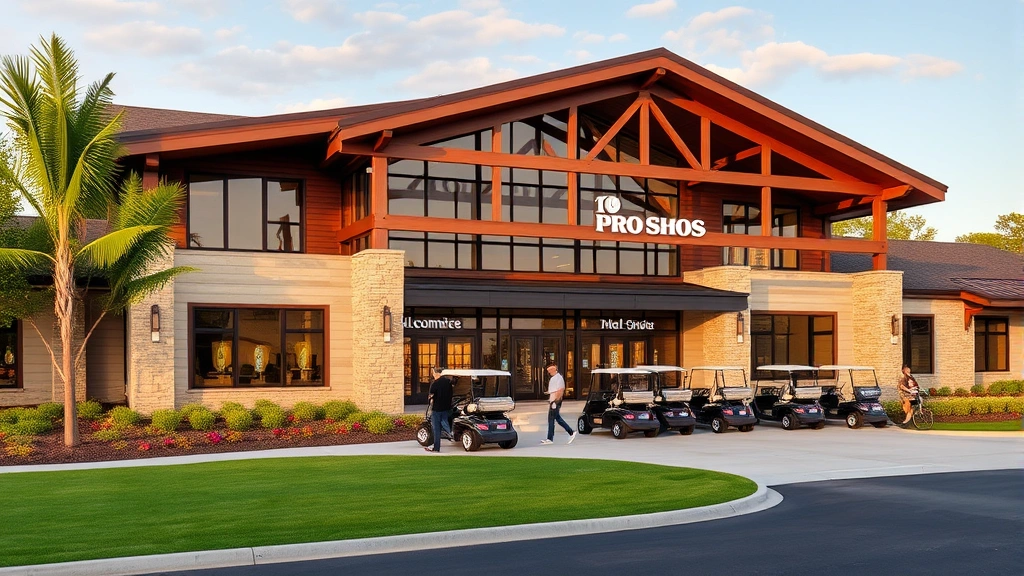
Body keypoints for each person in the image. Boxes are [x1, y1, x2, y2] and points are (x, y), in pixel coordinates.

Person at [541, 363, 577, 445]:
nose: (549, 372)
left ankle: (550, 438)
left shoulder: (559, 378)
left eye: (550, 370)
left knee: (551, 419)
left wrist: (555, 401)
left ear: (554, 370)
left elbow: (560, 390)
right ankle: (570, 432)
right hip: (553, 401)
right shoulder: (554, 378)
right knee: (557, 419)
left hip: (555, 402)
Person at [426, 367, 454, 452]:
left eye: (433, 373)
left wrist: (430, 400)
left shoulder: (435, 384)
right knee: (444, 421)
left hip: (437, 408)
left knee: (436, 429)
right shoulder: (448, 382)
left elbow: (431, 396)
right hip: (446, 407)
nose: (433, 375)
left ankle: (436, 447)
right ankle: (450, 432)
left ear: (437, 373)